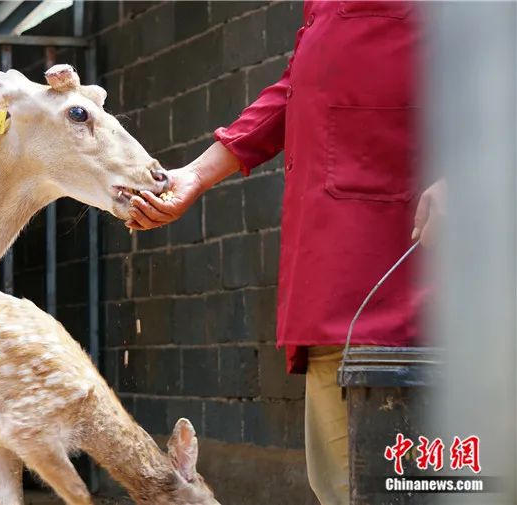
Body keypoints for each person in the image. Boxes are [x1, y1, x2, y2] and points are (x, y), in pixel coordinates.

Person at [124, 2, 444, 504]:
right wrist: (197, 175)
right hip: (335, 285)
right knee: (343, 483)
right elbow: (296, 88)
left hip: (415, 278)